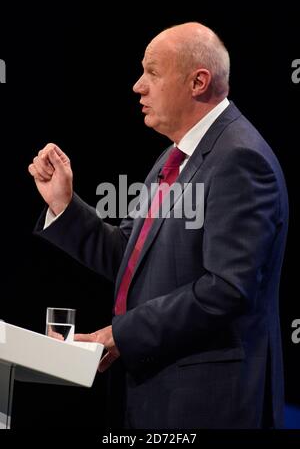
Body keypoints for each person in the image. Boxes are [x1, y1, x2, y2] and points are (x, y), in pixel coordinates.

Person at [28, 22, 289, 429]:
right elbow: (129, 257)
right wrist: (64, 204)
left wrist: (117, 336)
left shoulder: (239, 159)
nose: (137, 86)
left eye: (152, 72)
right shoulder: (176, 156)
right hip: (159, 393)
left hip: (209, 404)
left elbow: (227, 289)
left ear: (198, 81)